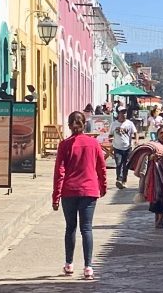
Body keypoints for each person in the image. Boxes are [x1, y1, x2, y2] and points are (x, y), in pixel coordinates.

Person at [51, 111, 107, 280]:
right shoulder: (93, 143)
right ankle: (88, 267)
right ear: (85, 124)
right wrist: (103, 187)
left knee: (70, 228)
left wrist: (56, 196)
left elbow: (59, 172)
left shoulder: (64, 145)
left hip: (69, 191)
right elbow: (101, 167)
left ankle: (69, 264)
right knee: (87, 229)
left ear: (69, 125)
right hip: (89, 191)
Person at [129, 128, 163, 228]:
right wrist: (151, 157)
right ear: (157, 134)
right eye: (161, 133)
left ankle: (160, 219)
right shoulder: (152, 147)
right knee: (155, 197)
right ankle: (157, 218)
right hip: (154, 176)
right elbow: (146, 158)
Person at [110, 111, 137, 189]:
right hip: (117, 147)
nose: (123, 115)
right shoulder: (114, 124)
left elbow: (135, 132)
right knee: (119, 163)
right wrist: (110, 138)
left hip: (127, 148)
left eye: (125, 113)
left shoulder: (130, 123)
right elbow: (110, 134)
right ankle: (119, 179)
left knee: (126, 165)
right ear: (118, 115)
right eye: (122, 114)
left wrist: (136, 140)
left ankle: (124, 181)